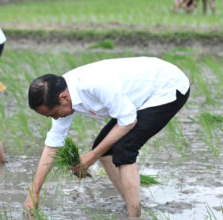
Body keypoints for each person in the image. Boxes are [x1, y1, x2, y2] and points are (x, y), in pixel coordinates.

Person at [24, 57, 190, 218]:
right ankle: (131, 203)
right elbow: (53, 143)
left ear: (63, 98)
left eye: (54, 114)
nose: (55, 119)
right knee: (106, 150)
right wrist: (34, 192)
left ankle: (134, 216)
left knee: (124, 148)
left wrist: (91, 156)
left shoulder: (94, 85)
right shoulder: (61, 91)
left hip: (167, 87)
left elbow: (128, 122)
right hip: (140, 95)